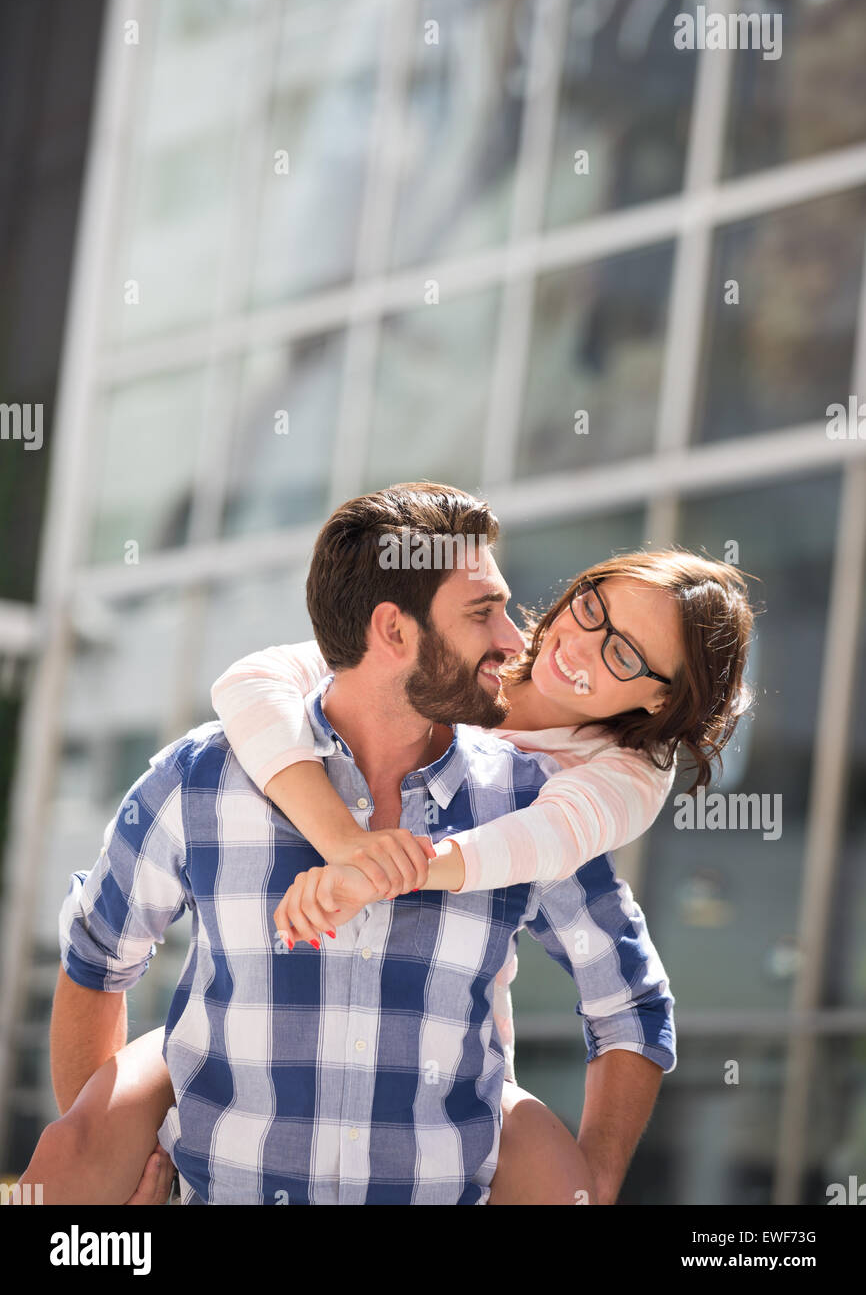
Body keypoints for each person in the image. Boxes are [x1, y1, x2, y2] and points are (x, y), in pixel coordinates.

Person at [22, 482, 754, 1204]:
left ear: (660, 699)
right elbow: (252, 682)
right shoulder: (214, 771)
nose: (544, 638)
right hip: (223, 1121)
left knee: (538, 1155)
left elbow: (580, 916)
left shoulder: (591, 785)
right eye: (591, 607)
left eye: (626, 654)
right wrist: (344, 841)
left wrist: (595, 1181)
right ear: (395, 633)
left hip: (447, 1087)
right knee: (98, 1126)